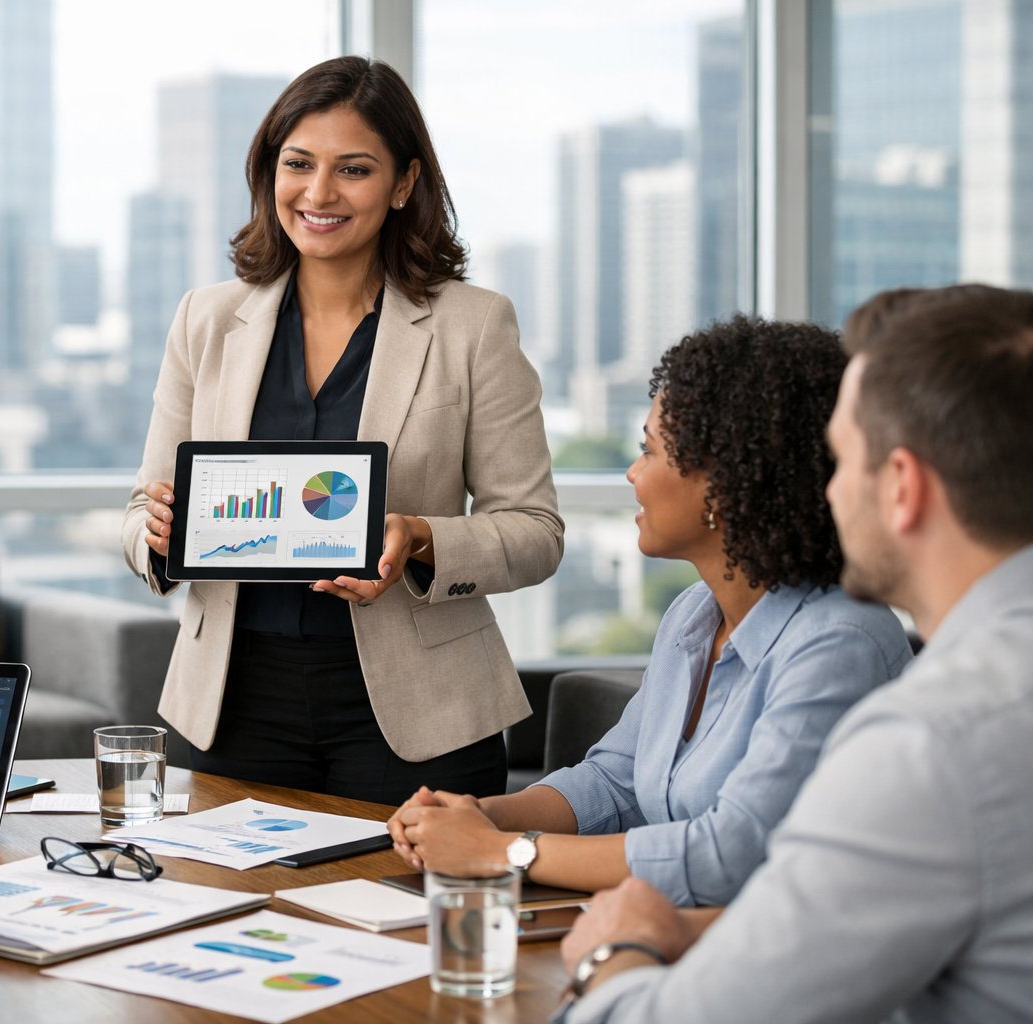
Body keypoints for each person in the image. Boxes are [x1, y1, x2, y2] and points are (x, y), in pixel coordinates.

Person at [553, 284, 1033, 1022]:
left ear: (901, 487)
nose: (823, 492)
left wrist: (613, 954)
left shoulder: (930, 743)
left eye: (839, 461)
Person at [121, 56, 564, 804]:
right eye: (298, 164)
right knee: (230, 918)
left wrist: (422, 536)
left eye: (353, 169)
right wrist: (156, 533)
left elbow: (536, 530)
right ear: (269, 174)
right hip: (232, 698)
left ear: (402, 184)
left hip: (420, 707)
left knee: (397, 918)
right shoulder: (206, 318)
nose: (319, 193)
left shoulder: (473, 325)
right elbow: (142, 511)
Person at [389, 316, 913, 905]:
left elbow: (729, 856)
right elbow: (615, 784)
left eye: (649, 450)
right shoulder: (695, 614)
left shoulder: (839, 641)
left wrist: (501, 853)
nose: (633, 473)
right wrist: (479, 816)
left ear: (727, 482)